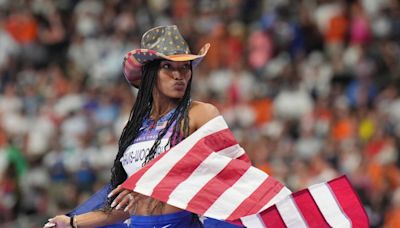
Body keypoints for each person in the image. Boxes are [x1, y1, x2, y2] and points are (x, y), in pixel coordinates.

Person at [44, 25, 240, 228]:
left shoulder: (200, 114)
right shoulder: (134, 127)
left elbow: (231, 175)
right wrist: (72, 222)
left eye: (185, 67)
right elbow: (124, 205)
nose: (179, 75)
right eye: (168, 67)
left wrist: (147, 185)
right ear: (149, 72)